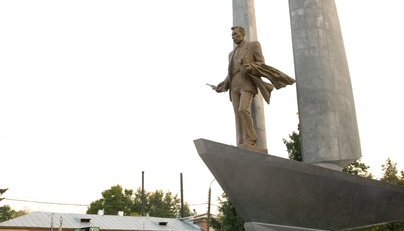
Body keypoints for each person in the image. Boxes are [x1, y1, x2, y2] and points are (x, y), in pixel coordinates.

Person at [215, 26, 295, 149]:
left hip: (247, 82)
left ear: (243, 34)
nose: (233, 37)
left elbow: (261, 63)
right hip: (234, 84)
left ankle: (251, 139)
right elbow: (230, 72)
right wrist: (223, 84)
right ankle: (242, 141)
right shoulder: (231, 54)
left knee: (243, 109)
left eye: (236, 34)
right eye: (232, 36)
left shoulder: (253, 45)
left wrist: (252, 67)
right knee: (237, 113)